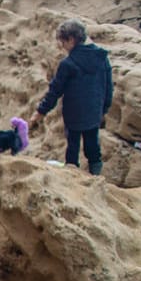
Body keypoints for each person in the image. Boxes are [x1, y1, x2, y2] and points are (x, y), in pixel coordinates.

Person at [30, 19, 114, 176]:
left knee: (73, 147)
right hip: (94, 111)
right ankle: (95, 176)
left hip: (74, 114)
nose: (62, 46)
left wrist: (40, 111)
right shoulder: (102, 58)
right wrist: (104, 109)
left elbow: (55, 91)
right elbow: (109, 87)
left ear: (71, 39)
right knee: (92, 147)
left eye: (63, 42)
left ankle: (71, 176)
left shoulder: (68, 64)